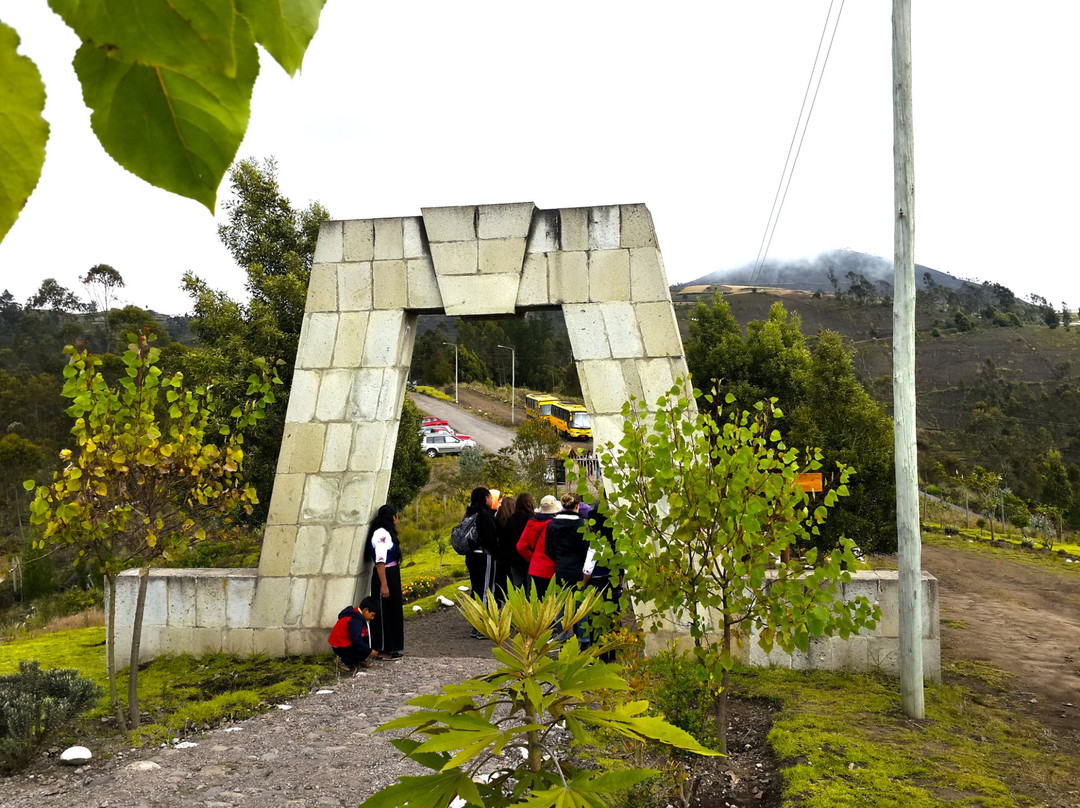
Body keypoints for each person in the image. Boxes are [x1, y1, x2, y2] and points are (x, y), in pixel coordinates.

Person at [543, 493, 590, 648]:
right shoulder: (582, 525)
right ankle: (583, 639)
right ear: (577, 506)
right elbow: (587, 549)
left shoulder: (552, 524)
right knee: (580, 605)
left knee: (561, 604)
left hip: (561, 566)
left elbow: (548, 549)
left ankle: (561, 636)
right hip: (578, 568)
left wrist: (559, 558)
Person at [364, 503, 404, 659]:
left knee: (393, 610)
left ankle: (393, 647)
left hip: (392, 573)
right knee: (384, 612)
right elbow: (380, 562)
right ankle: (383, 648)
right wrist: (384, 585)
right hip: (384, 575)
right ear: (393, 517)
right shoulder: (381, 534)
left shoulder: (388, 532)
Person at [464, 486, 499, 637]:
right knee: (486, 590)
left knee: (476, 589)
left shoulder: (469, 513)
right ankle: (483, 627)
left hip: (471, 555)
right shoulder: (484, 516)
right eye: (490, 497)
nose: (492, 500)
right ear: (485, 499)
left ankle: (475, 624)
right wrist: (497, 552)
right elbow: (491, 539)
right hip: (484, 556)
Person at [327, 596, 388, 671]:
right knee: (362, 648)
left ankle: (356, 659)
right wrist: (369, 651)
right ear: (366, 610)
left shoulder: (355, 614)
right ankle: (343, 660)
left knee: (365, 641)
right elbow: (356, 640)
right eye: (372, 615)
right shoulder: (356, 620)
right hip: (340, 646)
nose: (372, 618)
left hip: (343, 643)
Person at [516, 494, 560, 598]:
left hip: (534, 568)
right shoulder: (554, 525)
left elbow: (521, 546)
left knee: (535, 603)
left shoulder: (531, 523)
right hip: (551, 570)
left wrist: (532, 558)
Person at [500, 493, 534, 590]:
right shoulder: (531, 520)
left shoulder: (511, 520)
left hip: (514, 558)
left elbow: (504, 540)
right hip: (529, 557)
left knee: (518, 586)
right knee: (530, 587)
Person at [492, 493, 517, 602]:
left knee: (499, 586)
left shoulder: (496, 520)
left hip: (500, 557)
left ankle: (498, 606)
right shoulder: (514, 522)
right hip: (513, 558)